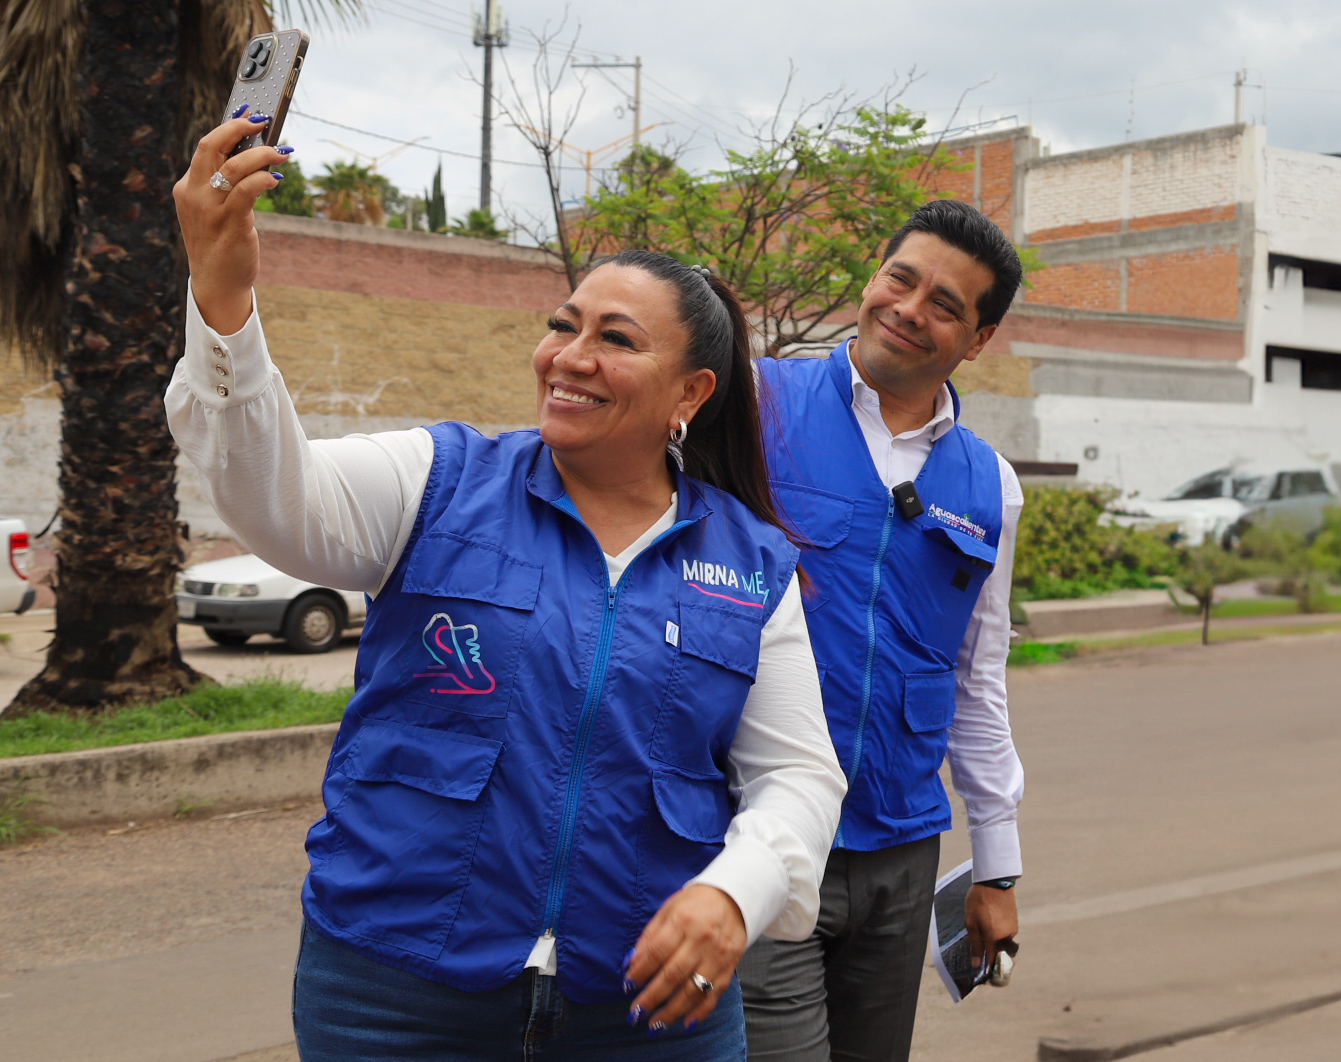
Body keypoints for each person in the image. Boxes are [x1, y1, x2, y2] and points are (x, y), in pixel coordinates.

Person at [168, 110, 846, 1062]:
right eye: (562, 326)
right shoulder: (436, 480)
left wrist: (734, 891)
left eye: (614, 338)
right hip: (392, 994)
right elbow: (274, 501)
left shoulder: (749, 562)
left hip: (648, 1013)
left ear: (690, 394)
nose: (569, 356)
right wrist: (225, 298)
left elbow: (796, 775)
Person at [740, 199, 1027, 1062]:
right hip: (758, 832)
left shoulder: (991, 487)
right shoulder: (750, 405)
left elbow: (977, 679)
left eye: (945, 303)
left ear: (976, 340)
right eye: (899, 279)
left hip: (899, 855)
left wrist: (996, 866)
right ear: (872, 277)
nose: (908, 308)